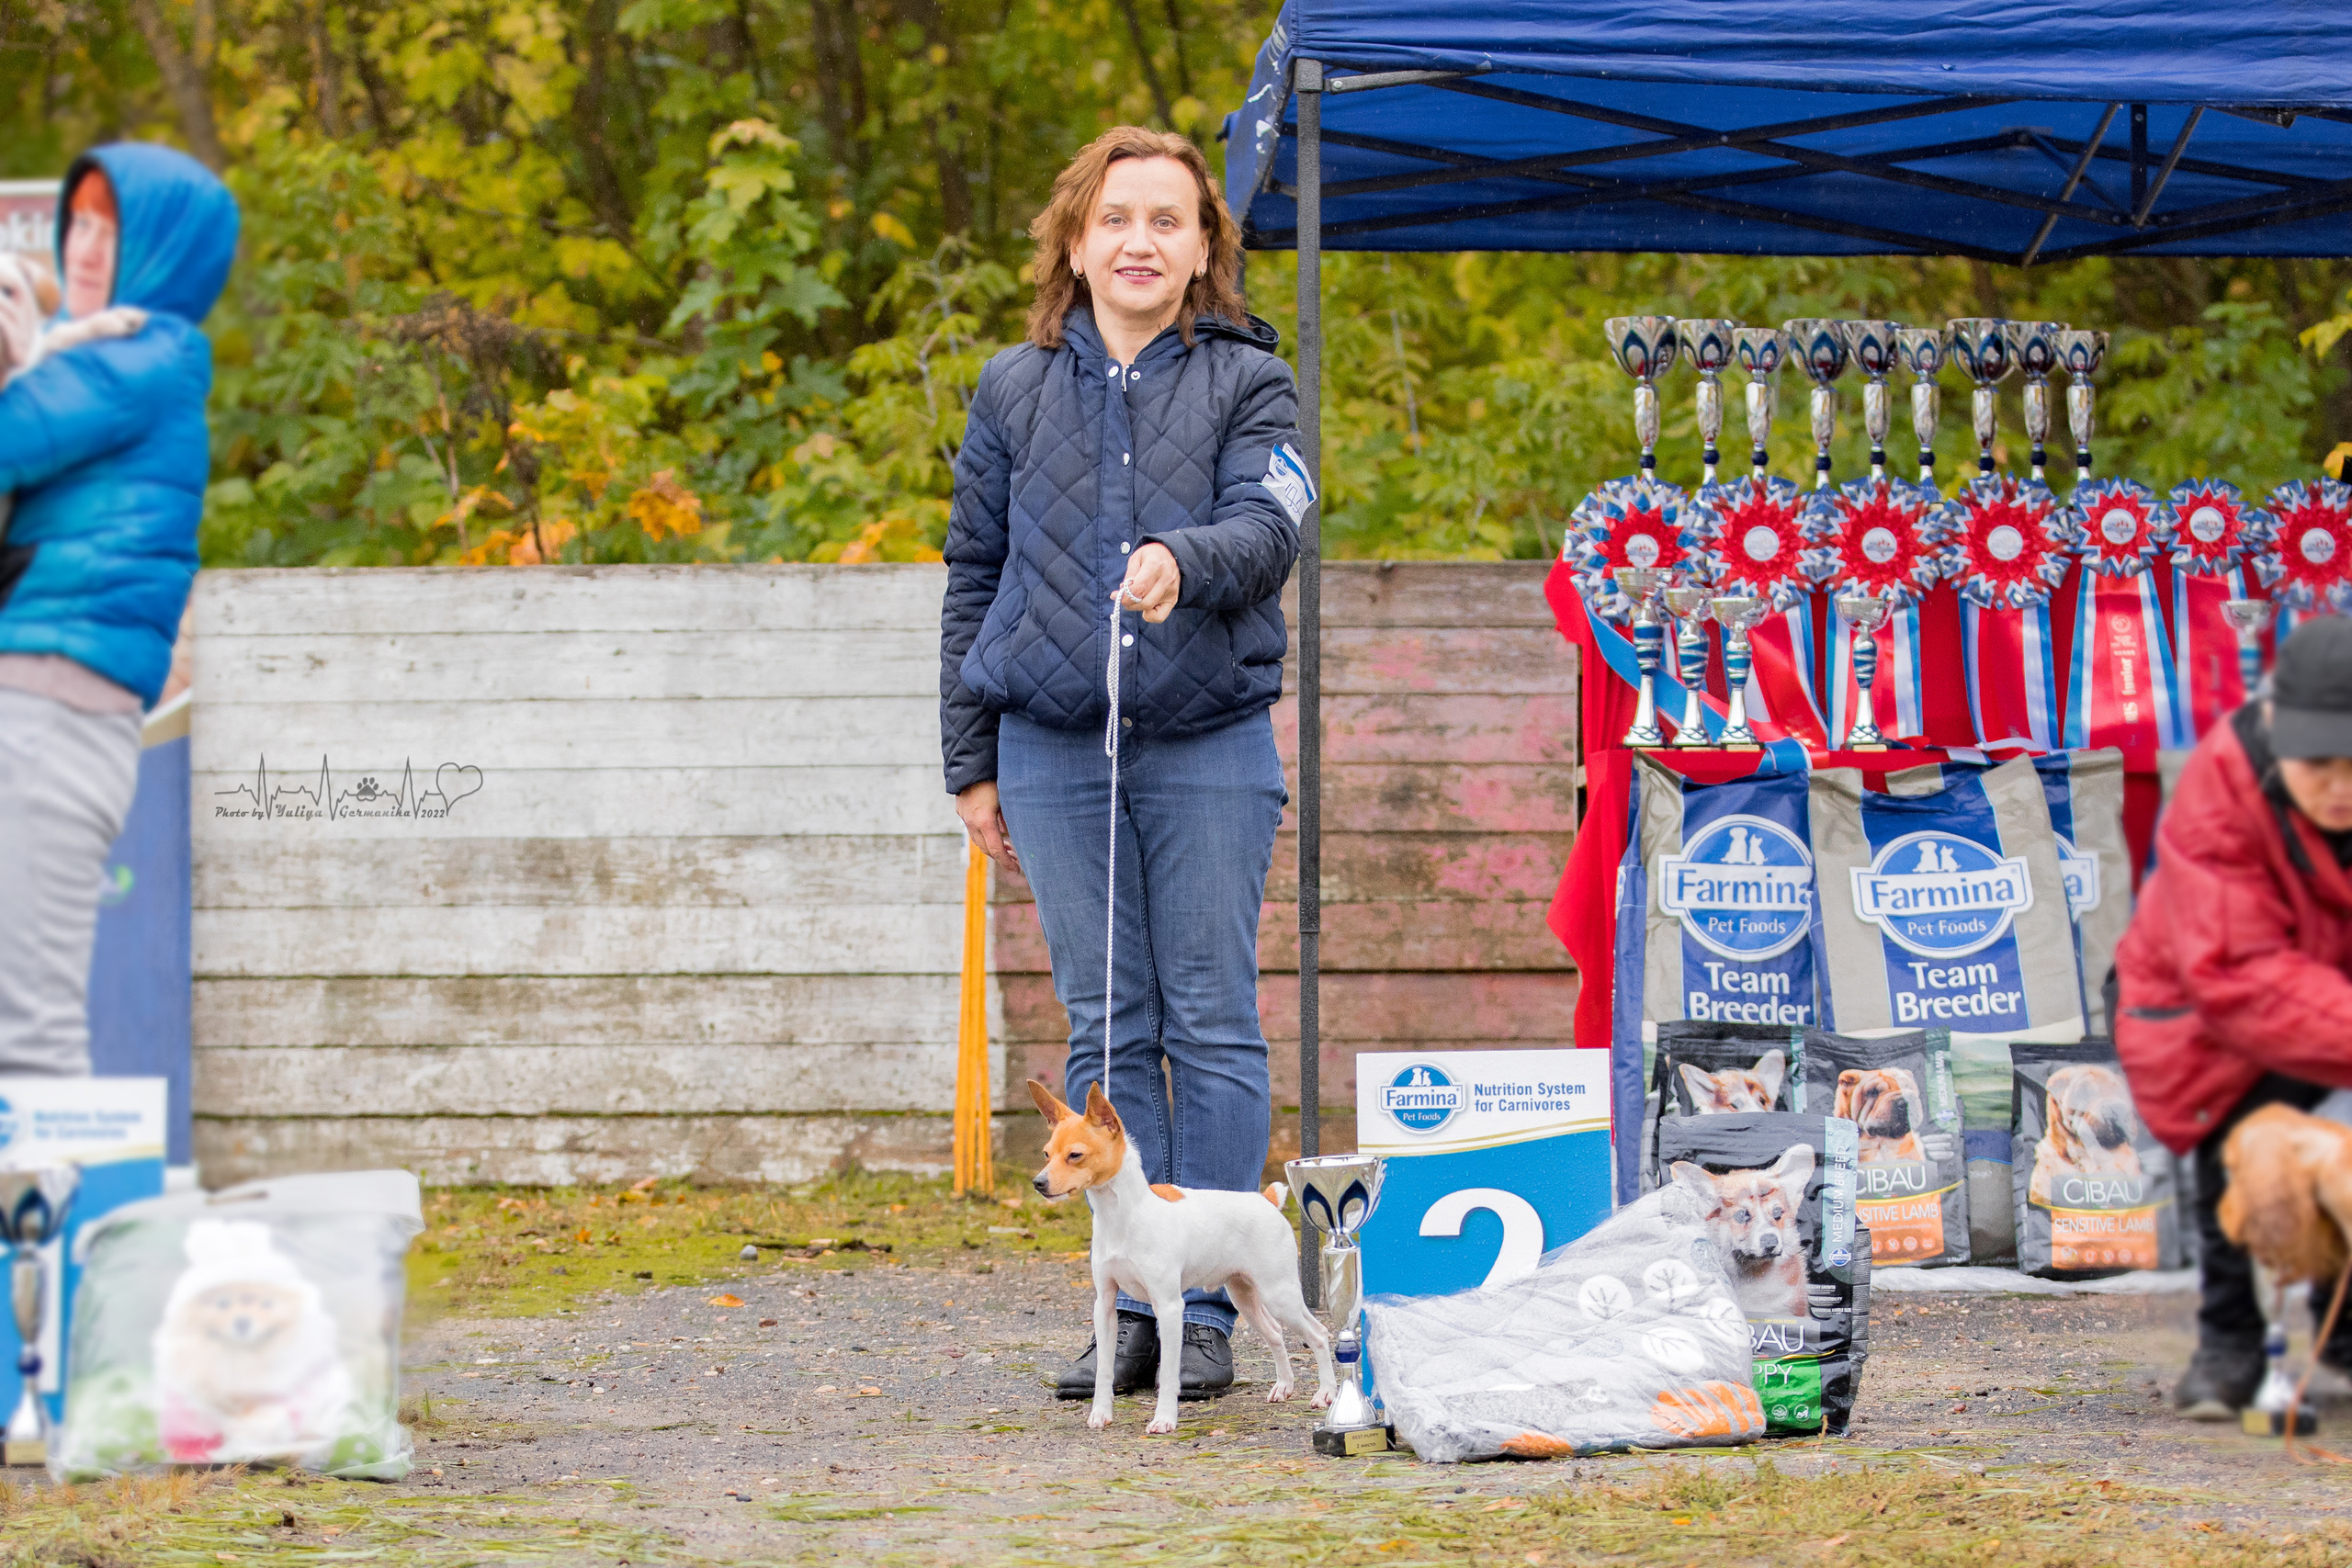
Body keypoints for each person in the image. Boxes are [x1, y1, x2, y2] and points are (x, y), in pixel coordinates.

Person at [939, 126, 1309, 1401]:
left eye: (1168, 220)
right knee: (1106, 1022)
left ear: (1205, 247)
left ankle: (1206, 1306)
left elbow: (1273, 525)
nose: (1140, 241)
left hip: (1207, 742)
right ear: (1075, 240)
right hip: (1047, 748)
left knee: (1209, 1020)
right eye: (1116, 218)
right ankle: (1129, 1322)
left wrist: (1185, 558)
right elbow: (972, 577)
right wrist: (968, 759)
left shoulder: (1255, 384)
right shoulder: (1008, 388)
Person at [0, 144, 237, 1075]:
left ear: (165, 246)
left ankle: (45, 1222)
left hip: (49, 708)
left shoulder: (147, 356)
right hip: (37, 703)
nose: (87, 246)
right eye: (79, 222)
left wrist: (24, 359)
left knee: (26, 1028)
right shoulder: (94, 361)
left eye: (113, 225)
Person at [2116, 615, 2352, 1418]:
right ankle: (2230, 1344)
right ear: (2281, 728)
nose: (2341, 786)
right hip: (2199, 1007)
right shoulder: (2224, 787)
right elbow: (2238, 974)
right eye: (2320, 762)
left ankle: (2341, 1331)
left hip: (2329, 988)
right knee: (2245, 1146)